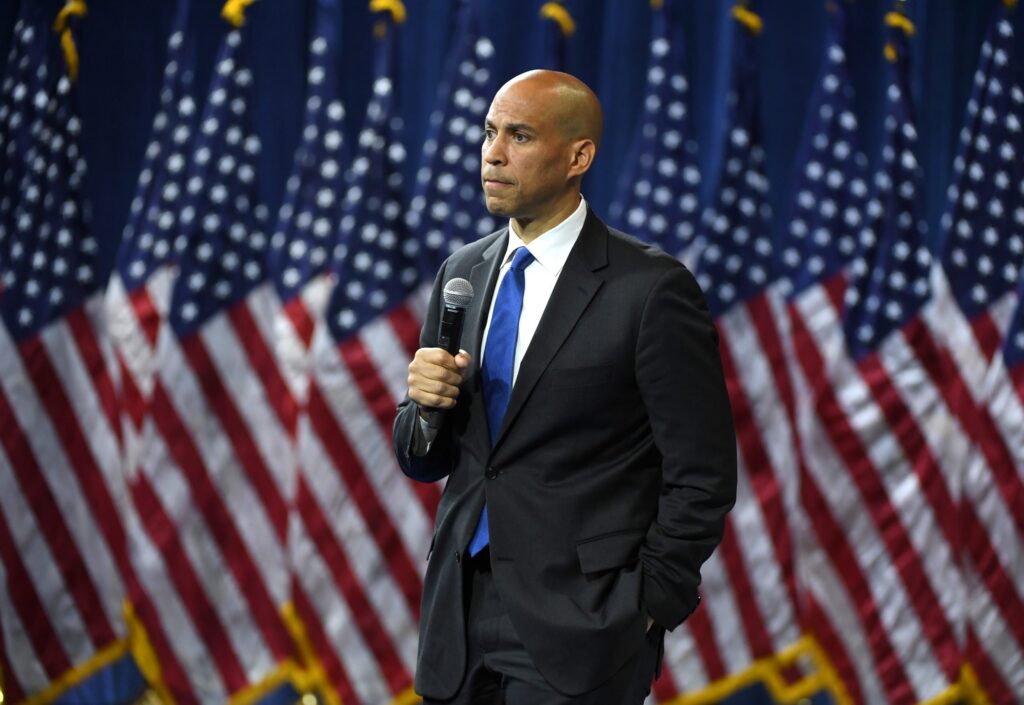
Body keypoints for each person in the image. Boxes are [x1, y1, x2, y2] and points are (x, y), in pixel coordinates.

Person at [393, 69, 736, 705]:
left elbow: (703, 473)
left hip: (582, 629)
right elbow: (426, 459)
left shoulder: (649, 290)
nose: (493, 153)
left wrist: (645, 605)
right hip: (459, 619)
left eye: (519, 136)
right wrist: (421, 405)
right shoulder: (462, 273)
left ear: (579, 156)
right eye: (490, 132)